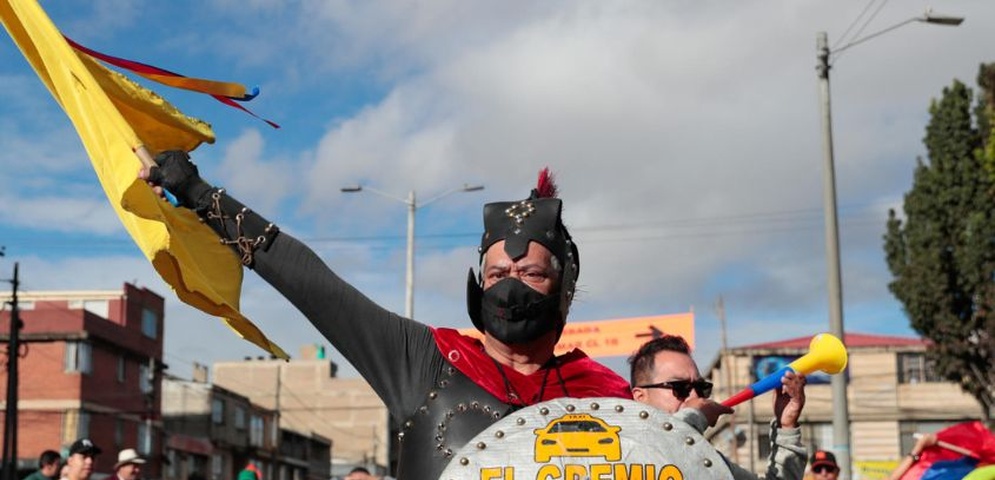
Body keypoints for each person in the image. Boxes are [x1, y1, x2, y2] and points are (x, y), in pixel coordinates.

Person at [141, 154, 631, 480]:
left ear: (563, 290)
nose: (509, 283)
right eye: (497, 270)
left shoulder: (606, 397)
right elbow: (313, 284)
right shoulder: (427, 362)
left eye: (529, 272)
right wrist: (201, 196)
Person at [628, 335, 808, 480]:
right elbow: (655, 446)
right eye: (679, 387)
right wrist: (694, 415)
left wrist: (787, 427)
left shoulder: (708, 461)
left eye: (701, 388)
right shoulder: (619, 452)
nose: (695, 396)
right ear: (640, 397)